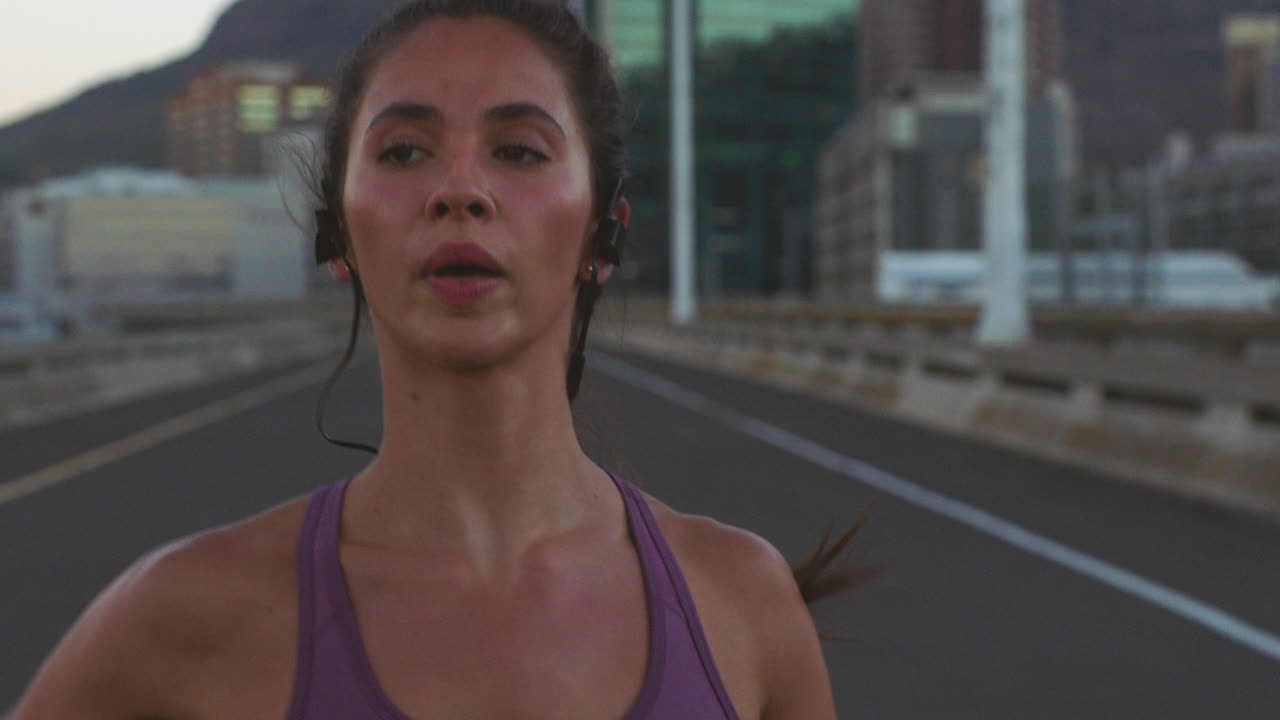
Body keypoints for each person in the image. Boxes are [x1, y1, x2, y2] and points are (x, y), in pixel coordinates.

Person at [9, 1, 851, 717]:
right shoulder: (182, 614)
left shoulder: (742, 601)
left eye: (519, 149)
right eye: (404, 151)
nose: (460, 190)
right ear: (334, 234)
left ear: (605, 231)